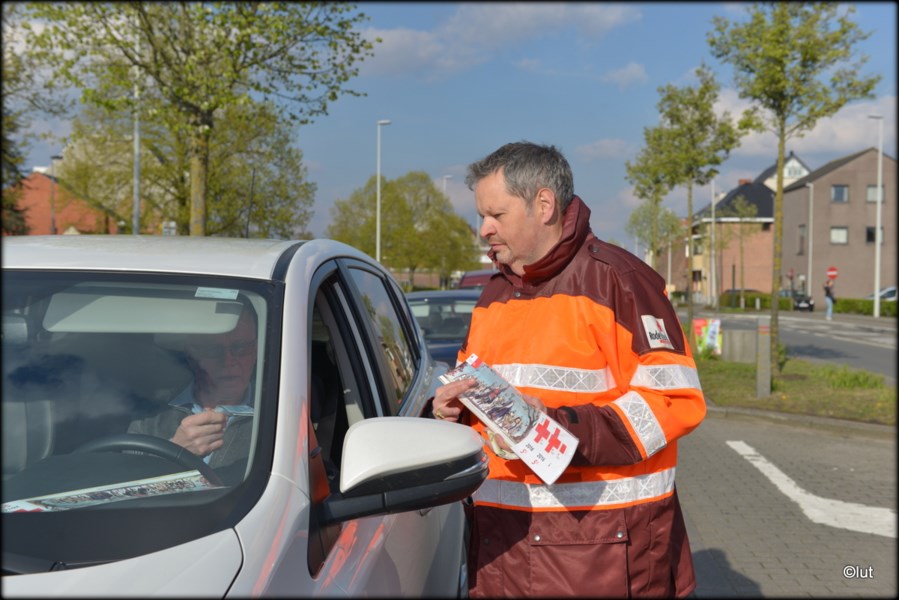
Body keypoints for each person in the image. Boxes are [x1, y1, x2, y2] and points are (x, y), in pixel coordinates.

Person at [431, 141, 706, 597]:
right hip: (500, 552)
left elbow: (674, 402)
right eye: (481, 216)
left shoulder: (620, 282)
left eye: (496, 215)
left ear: (543, 204)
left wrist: (557, 428)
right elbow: (482, 403)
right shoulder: (493, 297)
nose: (483, 229)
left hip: (598, 558)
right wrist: (449, 412)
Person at [128, 301, 258, 469]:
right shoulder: (151, 416)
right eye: (212, 350)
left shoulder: (281, 416)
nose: (228, 361)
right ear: (191, 354)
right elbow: (127, 484)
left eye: (240, 348)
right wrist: (174, 452)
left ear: (256, 350)